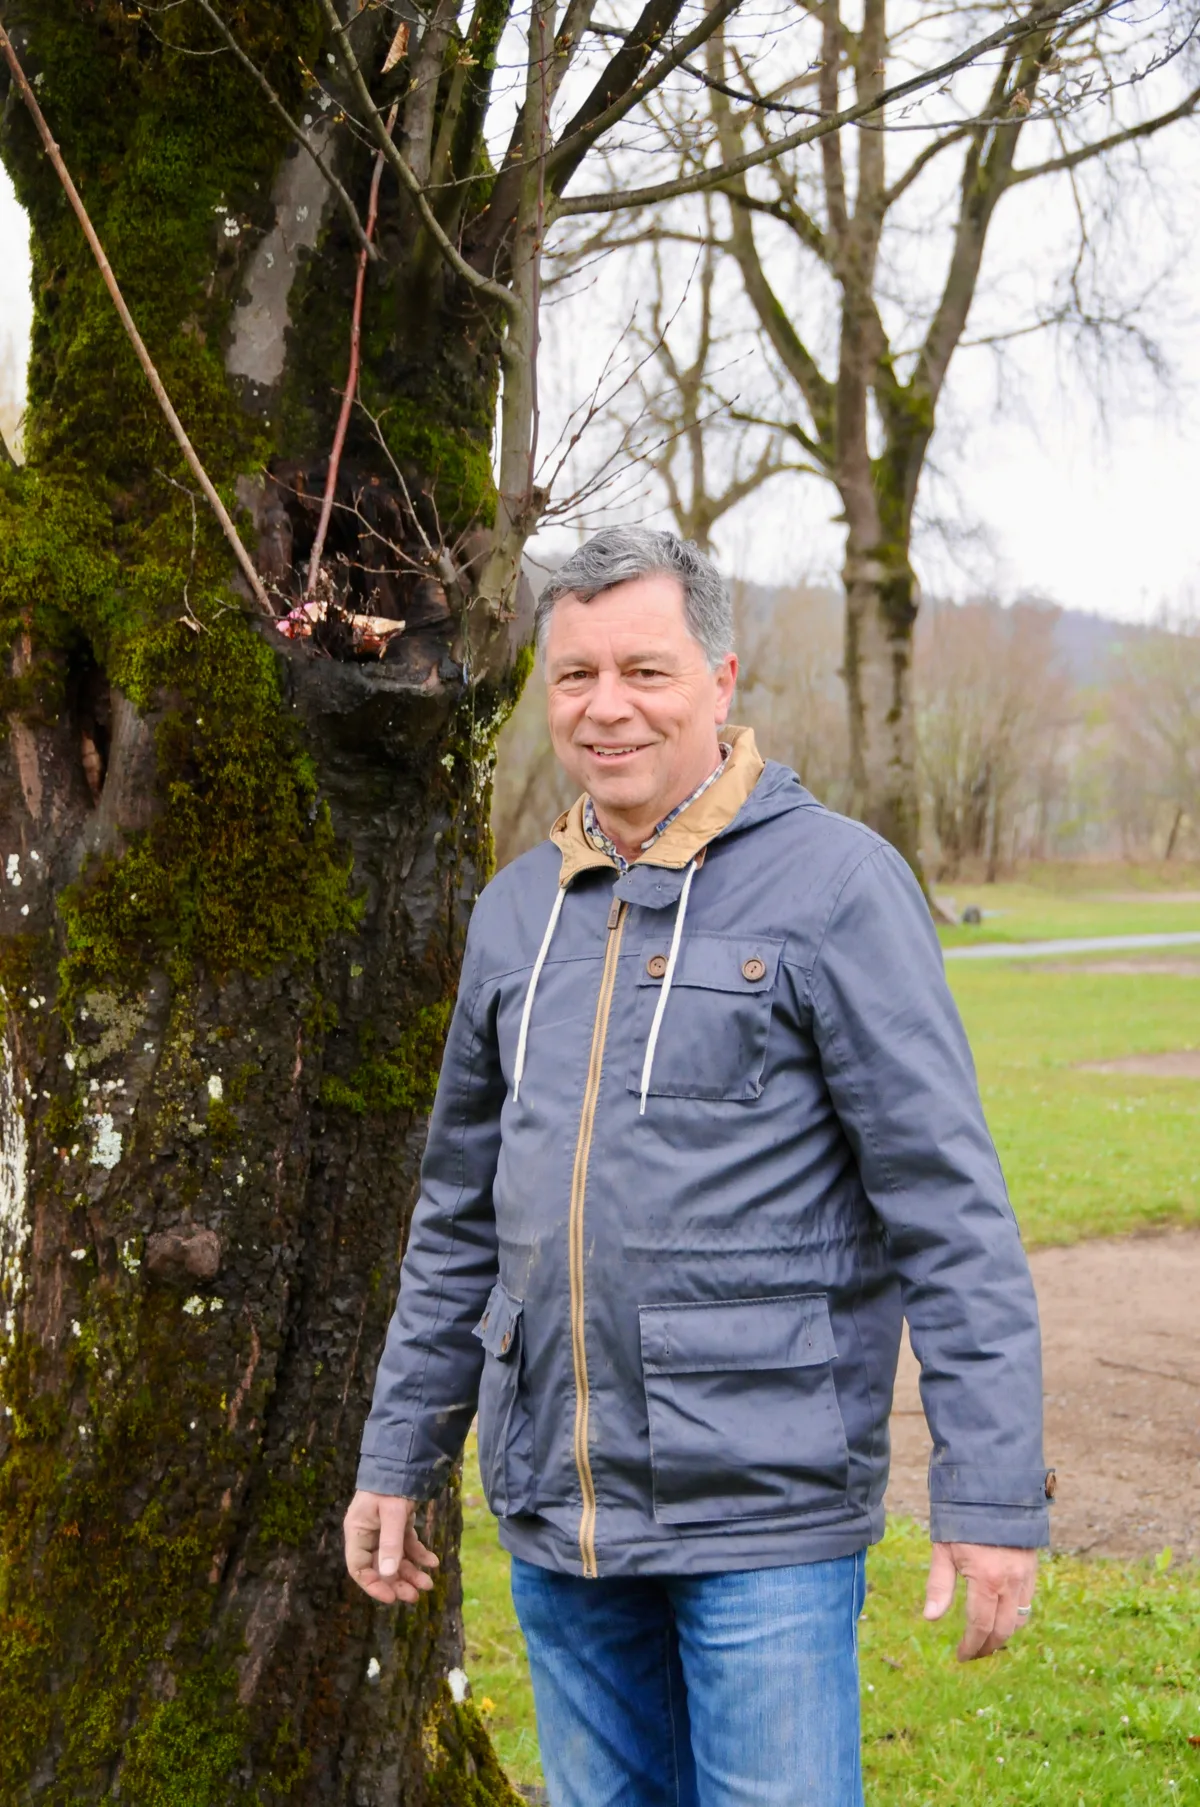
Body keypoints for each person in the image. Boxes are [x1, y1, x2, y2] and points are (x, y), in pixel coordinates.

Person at [344, 526, 1052, 1807]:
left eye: (646, 671)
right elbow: (457, 1216)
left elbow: (948, 1212)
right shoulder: (516, 914)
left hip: (765, 1519)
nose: (606, 707)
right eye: (575, 675)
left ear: (721, 681)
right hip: (562, 1520)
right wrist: (399, 1452)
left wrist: (992, 1492)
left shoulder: (837, 886)